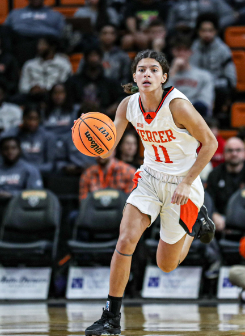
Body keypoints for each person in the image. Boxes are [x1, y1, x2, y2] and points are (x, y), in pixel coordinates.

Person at [84, 49, 218, 336]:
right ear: (134, 77)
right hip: (148, 177)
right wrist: (89, 133)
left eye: (154, 70)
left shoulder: (178, 106)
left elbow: (210, 143)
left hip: (184, 182)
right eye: (142, 69)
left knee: (166, 265)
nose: (147, 74)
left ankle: (196, 225)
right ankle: (111, 317)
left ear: (164, 77)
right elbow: (107, 148)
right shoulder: (127, 105)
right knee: (126, 238)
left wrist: (186, 182)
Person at [206, 137, 245, 232]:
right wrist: (213, 213)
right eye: (230, 150)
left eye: (238, 150)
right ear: (224, 154)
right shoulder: (214, 175)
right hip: (222, 224)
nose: (234, 154)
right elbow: (208, 199)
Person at [190, 13, 236, 116]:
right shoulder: (192, 49)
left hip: (217, 85)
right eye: (203, 30)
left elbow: (231, 78)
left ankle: (216, 116)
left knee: (223, 91)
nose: (207, 34)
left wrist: (212, 84)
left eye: (210, 30)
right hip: (196, 86)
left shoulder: (223, 50)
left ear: (215, 31)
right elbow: (190, 72)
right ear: (198, 32)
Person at [66, 46, 124, 118]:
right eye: (91, 56)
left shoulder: (110, 83)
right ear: (85, 59)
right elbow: (68, 101)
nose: (93, 59)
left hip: (105, 118)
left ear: (101, 59)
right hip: (78, 118)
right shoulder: (73, 81)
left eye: (96, 55)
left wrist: (114, 107)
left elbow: (121, 98)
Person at [4, 0, 65, 65]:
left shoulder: (55, 15)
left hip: (42, 40)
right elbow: (6, 30)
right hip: (19, 39)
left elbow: (60, 33)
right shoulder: (15, 13)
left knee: (39, 44)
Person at [2, 104, 56, 174]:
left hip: (41, 173)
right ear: (23, 118)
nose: (32, 123)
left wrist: (28, 169)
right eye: (29, 118)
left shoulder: (48, 136)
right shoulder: (15, 133)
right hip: (15, 173)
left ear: (39, 120)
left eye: (35, 119)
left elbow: (50, 165)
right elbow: (3, 138)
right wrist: (17, 128)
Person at [168, 35, 214, 117]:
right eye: (178, 50)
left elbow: (205, 104)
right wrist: (173, 71)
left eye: (185, 50)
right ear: (173, 52)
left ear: (190, 52)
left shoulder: (203, 76)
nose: (182, 54)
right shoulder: (163, 76)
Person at [166, 0, 234, 33]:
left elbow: (230, 15)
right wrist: (176, 26)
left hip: (208, 34)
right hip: (183, 35)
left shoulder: (214, 1)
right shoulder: (177, 3)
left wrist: (214, 26)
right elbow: (169, 26)